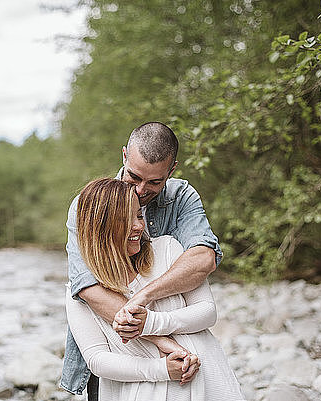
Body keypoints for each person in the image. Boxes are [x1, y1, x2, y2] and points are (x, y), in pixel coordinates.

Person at [60, 122, 225, 398]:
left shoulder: (181, 198)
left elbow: (203, 259)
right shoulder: (89, 205)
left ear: (171, 170)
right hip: (120, 355)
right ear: (124, 156)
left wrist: (143, 298)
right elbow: (86, 287)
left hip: (183, 355)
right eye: (134, 177)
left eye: (154, 182)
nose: (139, 190)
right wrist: (160, 341)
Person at [66, 178, 244, 400]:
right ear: (101, 225)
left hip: (207, 385)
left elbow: (207, 312)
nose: (139, 226)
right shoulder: (83, 290)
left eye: (139, 215)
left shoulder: (169, 249)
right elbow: (97, 359)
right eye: (125, 219)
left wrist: (149, 323)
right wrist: (161, 370)